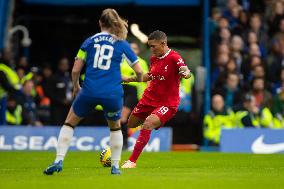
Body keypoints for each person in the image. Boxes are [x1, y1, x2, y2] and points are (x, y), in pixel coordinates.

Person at [43, 8, 143, 175]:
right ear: (115, 23)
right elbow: (139, 71)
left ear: (100, 23)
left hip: (89, 91)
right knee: (115, 127)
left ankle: (58, 160)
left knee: (69, 123)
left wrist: (76, 87)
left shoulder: (89, 42)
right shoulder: (121, 43)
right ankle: (115, 167)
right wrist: (138, 80)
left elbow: (75, 70)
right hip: (112, 93)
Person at [121, 30, 191, 168]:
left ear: (163, 43)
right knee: (131, 124)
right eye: (150, 46)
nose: (151, 49)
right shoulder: (154, 58)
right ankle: (158, 121)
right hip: (148, 99)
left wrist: (186, 73)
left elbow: (185, 70)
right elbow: (150, 75)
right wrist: (128, 79)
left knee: (148, 124)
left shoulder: (174, 57)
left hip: (167, 103)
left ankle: (132, 161)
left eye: (153, 46)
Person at [120, 42, 149, 150]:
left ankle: (124, 142)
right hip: (120, 90)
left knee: (122, 117)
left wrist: (147, 94)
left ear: (138, 51)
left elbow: (147, 79)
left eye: (135, 48)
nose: (132, 50)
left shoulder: (141, 62)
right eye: (130, 48)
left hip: (133, 91)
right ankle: (122, 142)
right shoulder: (120, 61)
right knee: (118, 118)